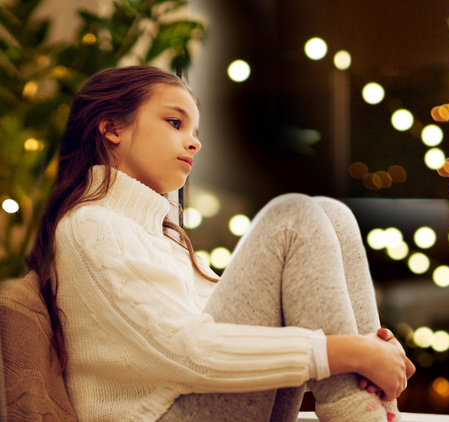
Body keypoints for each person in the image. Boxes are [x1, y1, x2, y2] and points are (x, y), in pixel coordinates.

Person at [26, 65, 415, 422]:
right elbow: (182, 352)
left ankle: (377, 408)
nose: (194, 143)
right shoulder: (90, 225)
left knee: (333, 214)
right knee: (292, 217)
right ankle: (361, 412)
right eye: (175, 123)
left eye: (194, 132)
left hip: (205, 402)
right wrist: (349, 352)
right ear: (112, 128)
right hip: (159, 415)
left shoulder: (161, 236)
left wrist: (370, 352)